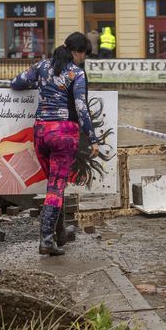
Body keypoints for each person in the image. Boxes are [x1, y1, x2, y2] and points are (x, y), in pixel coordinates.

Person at [10, 32, 100, 256]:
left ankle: (58, 233)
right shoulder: (77, 74)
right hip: (64, 135)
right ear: (75, 52)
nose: (83, 58)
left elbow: (16, 83)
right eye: (82, 54)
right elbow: (81, 108)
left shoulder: (41, 67)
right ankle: (46, 239)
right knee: (56, 188)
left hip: (40, 133)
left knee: (54, 187)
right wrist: (94, 138)